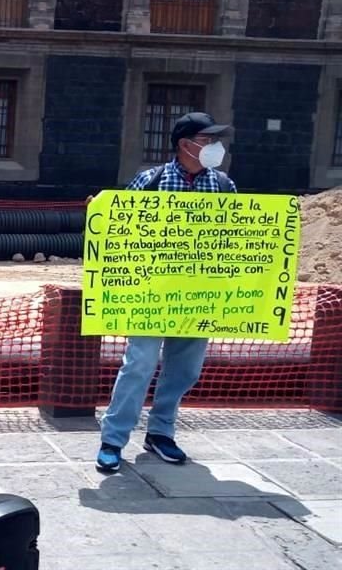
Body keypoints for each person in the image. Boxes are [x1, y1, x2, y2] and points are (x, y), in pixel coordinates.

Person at [95, 112, 236, 473]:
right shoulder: (150, 180)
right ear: (185, 144)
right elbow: (117, 231)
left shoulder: (223, 186)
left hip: (198, 295)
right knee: (139, 364)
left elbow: (236, 239)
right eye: (208, 140)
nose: (215, 148)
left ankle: (160, 433)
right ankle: (113, 439)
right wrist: (100, 213)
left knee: (185, 369)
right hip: (150, 295)